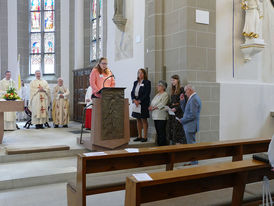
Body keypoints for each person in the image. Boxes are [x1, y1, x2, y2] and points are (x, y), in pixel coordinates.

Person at [179, 84, 202, 165]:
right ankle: (192, 160)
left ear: (190, 90)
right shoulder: (191, 98)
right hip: (189, 125)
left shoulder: (194, 99)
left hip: (191, 125)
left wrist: (183, 120)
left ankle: (194, 161)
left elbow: (193, 115)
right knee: (190, 144)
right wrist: (182, 101)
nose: (185, 93)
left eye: (186, 91)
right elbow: (186, 111)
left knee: (192, 144)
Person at [131, 69, 151, 142]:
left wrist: (139, 101)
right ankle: (139, 136)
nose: (140, 74)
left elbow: (146, 94)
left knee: (144, 119)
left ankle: (145, 137)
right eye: (139, 73)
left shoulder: (147, 82)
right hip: (136, 103)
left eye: (142, 73)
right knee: (138, 119)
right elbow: (132, 92)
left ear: (144, 74)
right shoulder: (135, 82)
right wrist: (134, 99)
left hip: (143, 104)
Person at [149, 80, 169, 146]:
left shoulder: (165, 94)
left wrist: (153, 108)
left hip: (161, 116)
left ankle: (163, 148)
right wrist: (150, 107)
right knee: (158, 133)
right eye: (158, 85)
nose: (157, 87)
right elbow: (153, 103)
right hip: (155, 116)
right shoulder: (157, 95)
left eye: (159, 85)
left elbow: (162, 104)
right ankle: (159, 147)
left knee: (161, 133)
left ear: (163, 87)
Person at [168, 75, 187, 145]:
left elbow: (182, 103)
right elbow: (171, 102)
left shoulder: (181, 90)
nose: (172, 81)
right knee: (173, 131)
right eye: (171, 80)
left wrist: (176, 108)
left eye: (174, 80)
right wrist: (168, 107)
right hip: (172, 114)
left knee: (178, 132)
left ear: (178, 80)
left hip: (179, 113)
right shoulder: (173, 91)